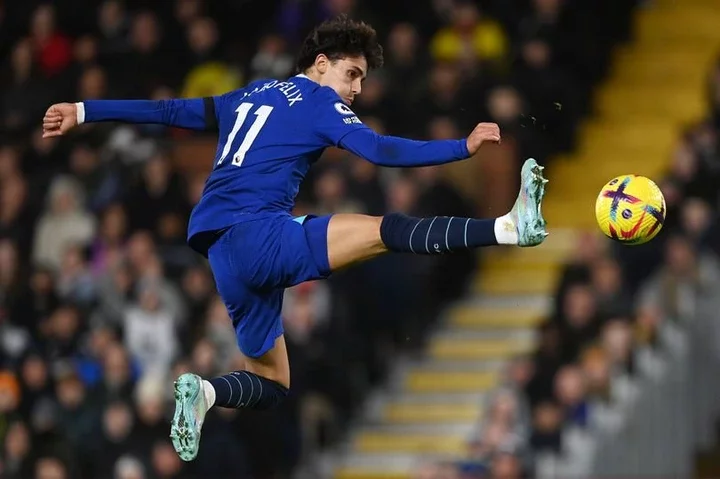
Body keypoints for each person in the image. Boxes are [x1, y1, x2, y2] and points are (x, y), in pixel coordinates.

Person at [41, 15, 548, 462]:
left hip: (222, 255)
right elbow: (381, 150)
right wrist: (462, 146)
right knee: (382, 231)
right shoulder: (319, 103)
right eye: (352, 74)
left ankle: (207, 394)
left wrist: (85, 110)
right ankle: (506, 226)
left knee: (272, 382)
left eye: (362, 81)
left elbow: (170, 112)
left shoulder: (250, 93)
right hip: (260, 236)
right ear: (322, 63)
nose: (355, 89)